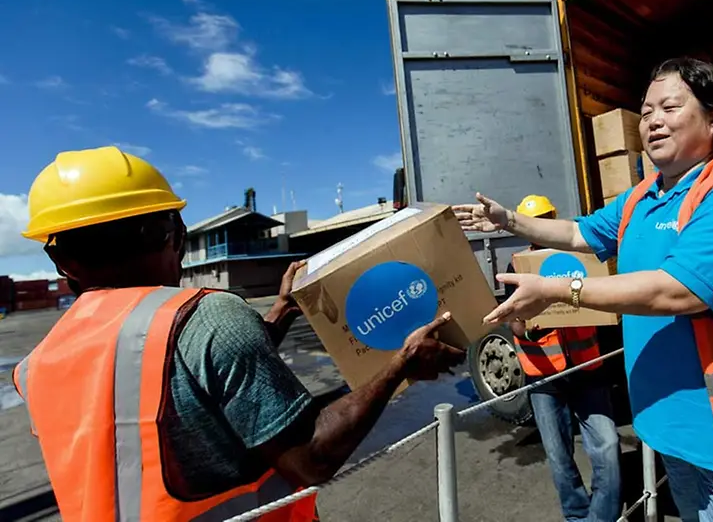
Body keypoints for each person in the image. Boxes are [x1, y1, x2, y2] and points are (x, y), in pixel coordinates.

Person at [12, 146, 464, 522]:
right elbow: (310, 457)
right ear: (170, 235)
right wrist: (399, 366)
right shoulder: (206, 315)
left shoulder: (34, 369)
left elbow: (193, 394)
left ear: (62, 262)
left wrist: (283, 310)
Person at [454, 58, 713, 521]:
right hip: (672, 434)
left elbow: (677, 292)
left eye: (670, 106)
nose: (653, 121)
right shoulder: (643, 196)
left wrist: (559, 290)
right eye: (645, 113)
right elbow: (579, 233)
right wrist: (510, 221)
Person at [507, 194, 621, 522]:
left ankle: (601, 518)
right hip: (544, 375)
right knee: (559, 457)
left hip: (588, 367)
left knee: (608, 447)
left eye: (544, 218)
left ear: (553, 217)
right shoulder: (516, 267)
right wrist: (528, 327)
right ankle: (575, 515)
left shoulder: (582, 259)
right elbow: (514, 322)